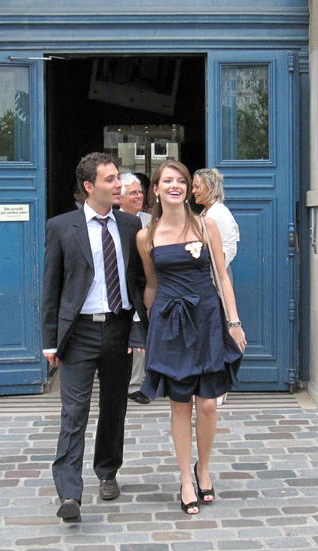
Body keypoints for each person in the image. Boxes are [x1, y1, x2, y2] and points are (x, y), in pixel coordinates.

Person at [42, 152, 147, 523]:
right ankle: (69, 492)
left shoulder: (130, 225)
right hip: (79, 332)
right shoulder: (61, 227)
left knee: (114, 407)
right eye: (110, 179)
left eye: (118, 177)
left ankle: (107, 471)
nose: (119, 185)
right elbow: (51, 287)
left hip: (119, 328)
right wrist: (50, 341)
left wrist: (138, 328)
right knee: (74, 411)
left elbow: (138, 283)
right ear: (89, 186)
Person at [136, 159, 246, 514]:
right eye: (167, 181)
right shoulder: (146, 236)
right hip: (170, 323)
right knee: (180, 402)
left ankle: (204, 467)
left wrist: (234, 322)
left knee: (208, 404)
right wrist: (150, 329)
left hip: (207, 318)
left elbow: (223, 276)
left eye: (181, 181)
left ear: (187, 189)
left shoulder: (205, 224)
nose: (175, 186)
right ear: (156, 189)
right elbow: (151, 285)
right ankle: (185, 478)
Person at [192, 168, 240, 406]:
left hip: (216, 278)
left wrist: (211, 266)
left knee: (219, 332)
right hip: (209, 278)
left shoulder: (219, 213)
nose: (193, 191)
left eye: (197, 186)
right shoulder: (207, 212)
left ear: (210, 187)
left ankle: (220, 387)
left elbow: (229, 248)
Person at [118, 172, 152, 405]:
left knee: (144, 336)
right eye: (133, 193)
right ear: (119, 198)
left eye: (140, 192)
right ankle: (129, 382)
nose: (139, 196)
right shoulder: (111, 221)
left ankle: (142, 383)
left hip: (149, 286)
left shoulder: (152, 221)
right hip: (122, 289)